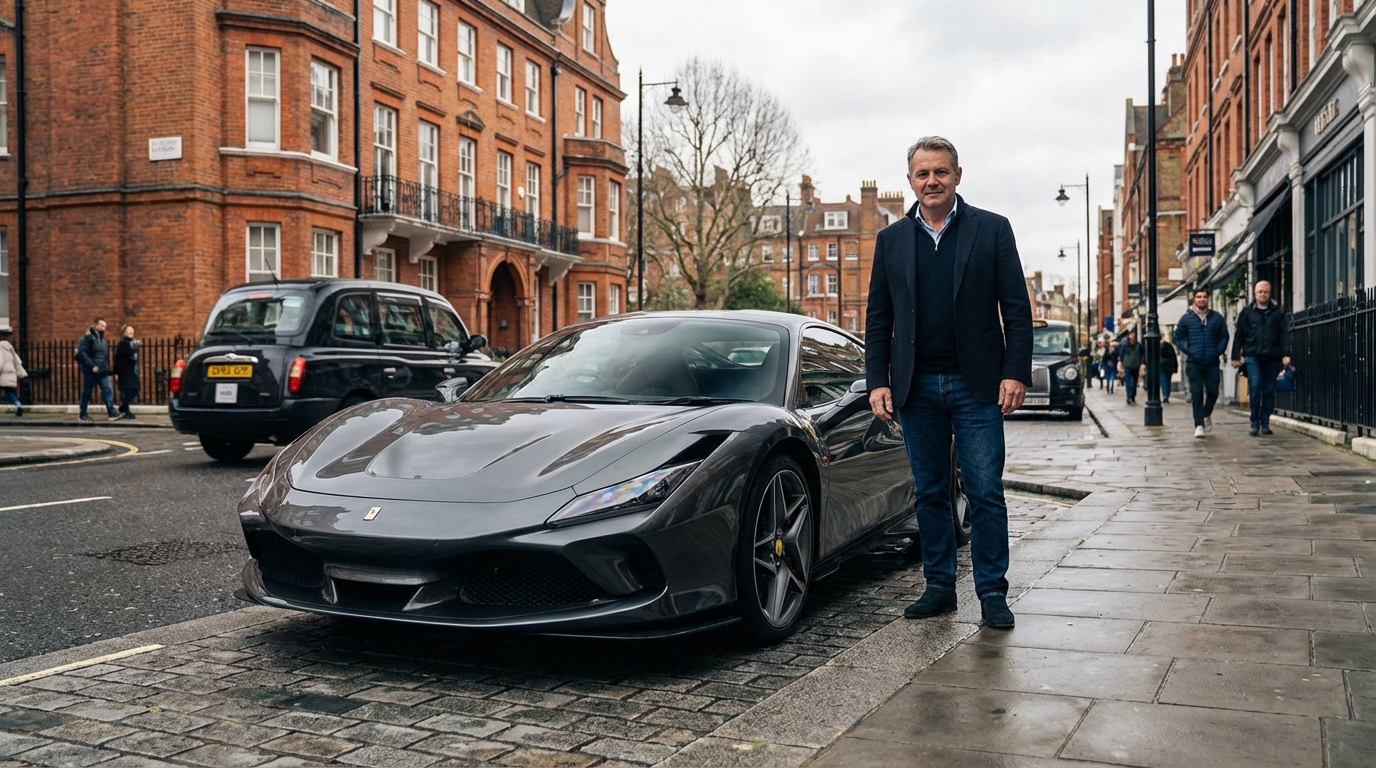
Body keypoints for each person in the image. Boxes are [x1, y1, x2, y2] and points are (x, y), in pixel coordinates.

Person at [865, 136, 1033, 631]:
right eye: (923, 174)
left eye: (940, 172)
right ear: (911, 181)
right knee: (930, 491)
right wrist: (878, 380)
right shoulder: (891, 240)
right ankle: (939, 588)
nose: (932, 181)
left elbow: (1017, 311)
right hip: (916, 388)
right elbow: (879, 318)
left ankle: (992, 593)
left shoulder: (992, 229)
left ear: (958, 175)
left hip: (976, 384)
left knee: (984, 491)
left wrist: (1014, 371)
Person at [1231, 280, 1292, 436]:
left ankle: (1265, 422)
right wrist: (1235, 355)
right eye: (1260, 292)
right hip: (1253, 355)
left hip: (1272, 355)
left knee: (1269, 390)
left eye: (1265, 292)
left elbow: (1284, 334)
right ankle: (1254, 421)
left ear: (1269, 293)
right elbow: (1239, 334)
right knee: (1255, 384)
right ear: (1255, 293)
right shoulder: (1247, 312)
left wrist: (1286, 354)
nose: (1262, 294)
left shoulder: (1277, 313)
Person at [1176, 288, 1229, 439]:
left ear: (1208, 299)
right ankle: (1199, 424)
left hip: (1212, 361)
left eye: (1204, 297)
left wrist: (1217, 351)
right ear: (1194, 299)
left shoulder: (1216, 318)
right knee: (1197, 392)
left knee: (1213, 392)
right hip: (1194, 362)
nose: (1201, 299)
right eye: (1198, 297)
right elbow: (1178, 338)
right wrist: (1189, 351)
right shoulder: (1186, 319)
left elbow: (1224, 336)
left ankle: (1206, 414)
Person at [76, 316, 121, 424]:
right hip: (90, 371)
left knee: (107, 390)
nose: (103, 327)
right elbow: (81, 353)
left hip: (102, 370)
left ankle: (111, 412)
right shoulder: (88, 338)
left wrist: (107, 369)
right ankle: (82, 414)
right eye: (101, 325)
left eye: (105, 326)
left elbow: (104, 356)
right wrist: (92, 366)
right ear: (95, 325)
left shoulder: (103, 339)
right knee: (87, 392)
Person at [114, 324, 141, 419]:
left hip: (129, 369)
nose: (131, 333)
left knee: (133, 388)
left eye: (132, 332)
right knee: (130, 388)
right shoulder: (123, 343)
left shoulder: (129, 342)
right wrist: (116, 372)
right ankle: (125, 409)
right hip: (124, 370)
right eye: (129, 332)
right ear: (125, 333)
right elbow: (120, 357)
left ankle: (124, 407)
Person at [0, 325, 25, 416]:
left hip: (2, 373)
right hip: (11, 372)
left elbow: (0, 360)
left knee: (7, 391)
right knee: (9, 392)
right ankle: (18, 405)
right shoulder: (10, 347)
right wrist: (19, 372)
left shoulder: (0, 346)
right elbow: (17, 360)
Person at [1117, 331, 1144, 405]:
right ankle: (1129, 397)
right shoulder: (1125, 345)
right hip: (1127, 366)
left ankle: (1132, 396)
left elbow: (1142, 354)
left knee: (1134, 382)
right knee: (1128, 382)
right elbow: (1121, 356)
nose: (1132, 340)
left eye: (1133, 338)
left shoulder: (1138, 345)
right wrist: (1120, 364)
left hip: (1135, 366)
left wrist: (1141, 363)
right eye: (1130, 338)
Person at [1159, 337, 1179, 404]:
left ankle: (1165, 396)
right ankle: (1166, 395)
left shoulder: (1159, 346)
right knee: (1167, 382)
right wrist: (1175, 368)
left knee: (1164, 382)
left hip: (1163, 367)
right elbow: (1173, 357)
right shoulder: (1169, 346)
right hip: (1168, 367)